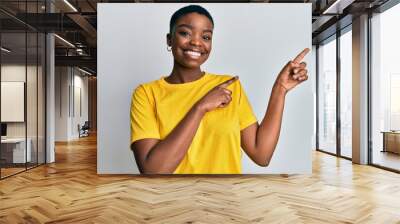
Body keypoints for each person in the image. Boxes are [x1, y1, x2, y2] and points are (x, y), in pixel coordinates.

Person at [130, 5, 309, 174]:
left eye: (206, 37)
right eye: (185, 33)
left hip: (225, 200)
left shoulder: (229, 86)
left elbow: (261, 155)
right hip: (173, 201)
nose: (196, 42)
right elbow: (153, 171)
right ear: (170, 39)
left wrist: (280, 89)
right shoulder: (146, 93)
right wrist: (200, 107)